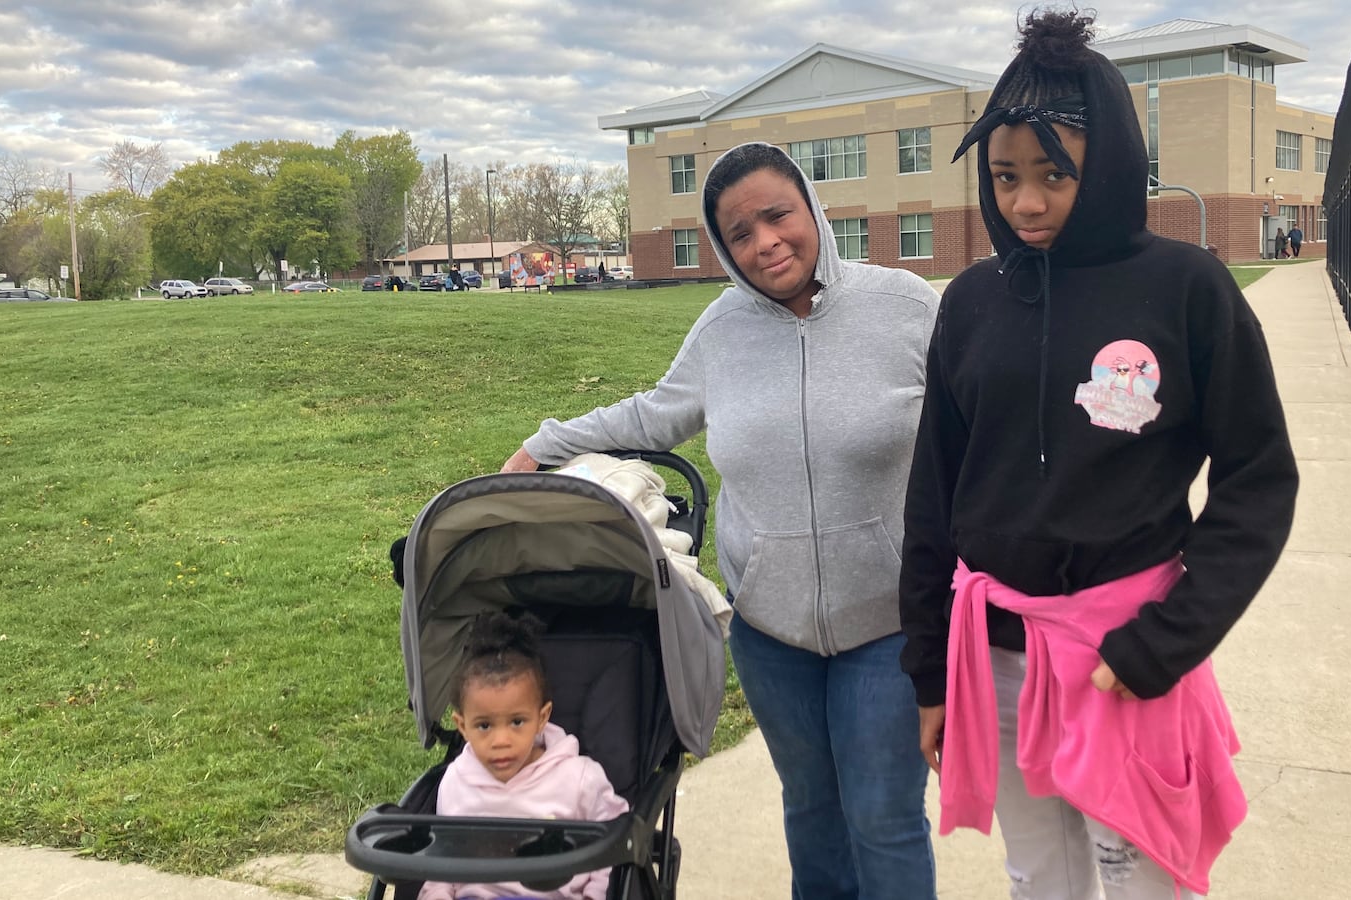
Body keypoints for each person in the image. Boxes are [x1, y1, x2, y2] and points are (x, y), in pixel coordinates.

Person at [898, 9, 1298, 900]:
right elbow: (933, 497)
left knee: (1142, 878)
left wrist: (1166, 642)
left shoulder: (1187, 289)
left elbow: (1258, 481)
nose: (1026, 202)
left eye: (1054, 174)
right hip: (994, 660)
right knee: (1040, 875)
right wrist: (930, 671)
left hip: (1125, 658)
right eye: (1004, 177)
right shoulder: (968, 304)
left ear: (1110, 164)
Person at [502, 141, 940, 899]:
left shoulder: (906, 307)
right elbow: (658, 412)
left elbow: (982, 420)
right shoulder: (722, 329)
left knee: (883, 817)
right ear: (723, 247)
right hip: (772, 633)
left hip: (890, 622)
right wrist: (547, 442)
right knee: (810, 809)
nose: (765, 242)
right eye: (740, 233)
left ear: (812, 210)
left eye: (778, 216)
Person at [419, 613, 628, 900]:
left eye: (517, 722)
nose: (501, 741)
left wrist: (596, 895)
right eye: (484, 726)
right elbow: (441, 862)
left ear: (542, 718)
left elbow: (615, 842)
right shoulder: (455, 781)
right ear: (462, 726)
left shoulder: (579, 779)